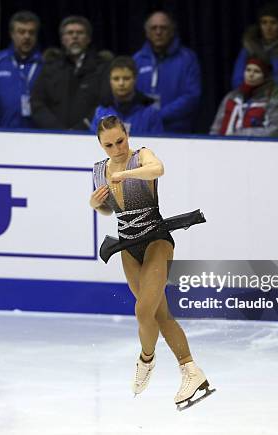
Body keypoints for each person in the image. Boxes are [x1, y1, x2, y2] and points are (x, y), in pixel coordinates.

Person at [89, 115, 213, 410]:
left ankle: (146, 359)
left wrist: (127, 175)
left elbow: (158, 169)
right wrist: (95, 205)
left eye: (120, 140)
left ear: (126, 135)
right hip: (127, 247)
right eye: (109, 145)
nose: (117, 148)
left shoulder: (140, 156)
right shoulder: (98, 171)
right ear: (100, 145)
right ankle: (191, 371)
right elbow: (110, 210)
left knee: (143, 309)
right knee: (158, 315)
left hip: (157, 239)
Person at [31, 15, 110, 130]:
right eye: (70, 33)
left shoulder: (102, 68)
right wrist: (57, 129)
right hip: (53, 136)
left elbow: (105, 103)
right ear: (63, 39)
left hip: (89, 136)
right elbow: (37, 104)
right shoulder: (50, 68)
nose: (75, 36)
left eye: (80, 33)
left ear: (88, 39)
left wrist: (80, 129)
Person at [133, 11, 201, 133]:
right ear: (147, 32)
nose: (158, 32)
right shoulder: (137, 59)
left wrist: (161, 115)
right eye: (154, 28)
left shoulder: (187, 58)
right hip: (144, 131)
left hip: (178, 131)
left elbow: (192, 96)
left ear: (171, 31)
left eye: (163, 28)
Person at [0, 11, 42, 128]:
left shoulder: (44, 65)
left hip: (36, 135)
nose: (27, 36)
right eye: (21, 32)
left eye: (31, 32)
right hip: (0, 133)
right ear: (12, 34)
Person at [231, 2, 278, 89]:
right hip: (249, 94)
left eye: (273, 22)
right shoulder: (249, 48)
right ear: (259, 25)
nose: (268, 28)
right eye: (264, 22)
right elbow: (237, 78)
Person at [210, 57, 278, 136]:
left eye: (257, 71)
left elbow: (276, 130)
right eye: (248, 70)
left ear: (265, 76)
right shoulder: (231, 97)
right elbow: (216, 128)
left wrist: (244, 134)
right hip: (222, 145)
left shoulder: (271, 102)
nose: (251, 75)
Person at [90, 56, 163, 135]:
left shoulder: (151, 112)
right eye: (116, 79)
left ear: (135, 79)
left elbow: (157, 144)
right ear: (110, 81)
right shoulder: (100, 112)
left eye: (126, 78)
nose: (121, 83)